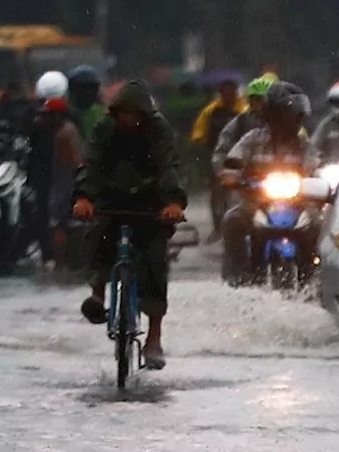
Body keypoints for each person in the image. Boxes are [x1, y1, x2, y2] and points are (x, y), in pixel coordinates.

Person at [72, 80, 187, 370]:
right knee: (96, 233)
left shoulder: (159, 131)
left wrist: (173, 202)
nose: (129, 119)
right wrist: (84, 197)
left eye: (135, 114)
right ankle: (98, 294)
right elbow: (90, 164)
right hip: (110, 200)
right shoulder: (104, 128)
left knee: (156, 259)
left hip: (152, 204)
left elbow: (168, 167)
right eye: (124, 113)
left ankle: (154, 337)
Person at [220, 81, 316, 283]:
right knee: (232, 221)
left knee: (320, 225)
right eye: (290, 113)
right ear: (274, 114)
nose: (296, 119)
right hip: (256, 204)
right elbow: (232, 161)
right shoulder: (252, 139)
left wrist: (320, 180)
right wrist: (231, 175)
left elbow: (316, 165)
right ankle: (236, 278)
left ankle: (314, 278)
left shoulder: (303, 143)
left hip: (298, 205)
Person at [25, 71, 84, 266]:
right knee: (61, 220)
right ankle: (62, 260)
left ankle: (56, 259)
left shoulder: (37, 120)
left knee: (53, 220)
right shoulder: (70, 122)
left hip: (48, 177)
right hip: (60, 178)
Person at [191, 78, 245, 236]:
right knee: (217, 191)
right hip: (217, 156)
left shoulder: (243, 111)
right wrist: (201, 142)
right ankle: (217, 226)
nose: (229, 97)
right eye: (225, 94)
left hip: (241, 158)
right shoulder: (211, 111)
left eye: (232, 93)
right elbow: (199, 133)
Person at [67, 65, 107, 143]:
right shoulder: (68, 113)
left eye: (91, 88)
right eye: (85, 88)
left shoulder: (100, 112)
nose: (88, 92)